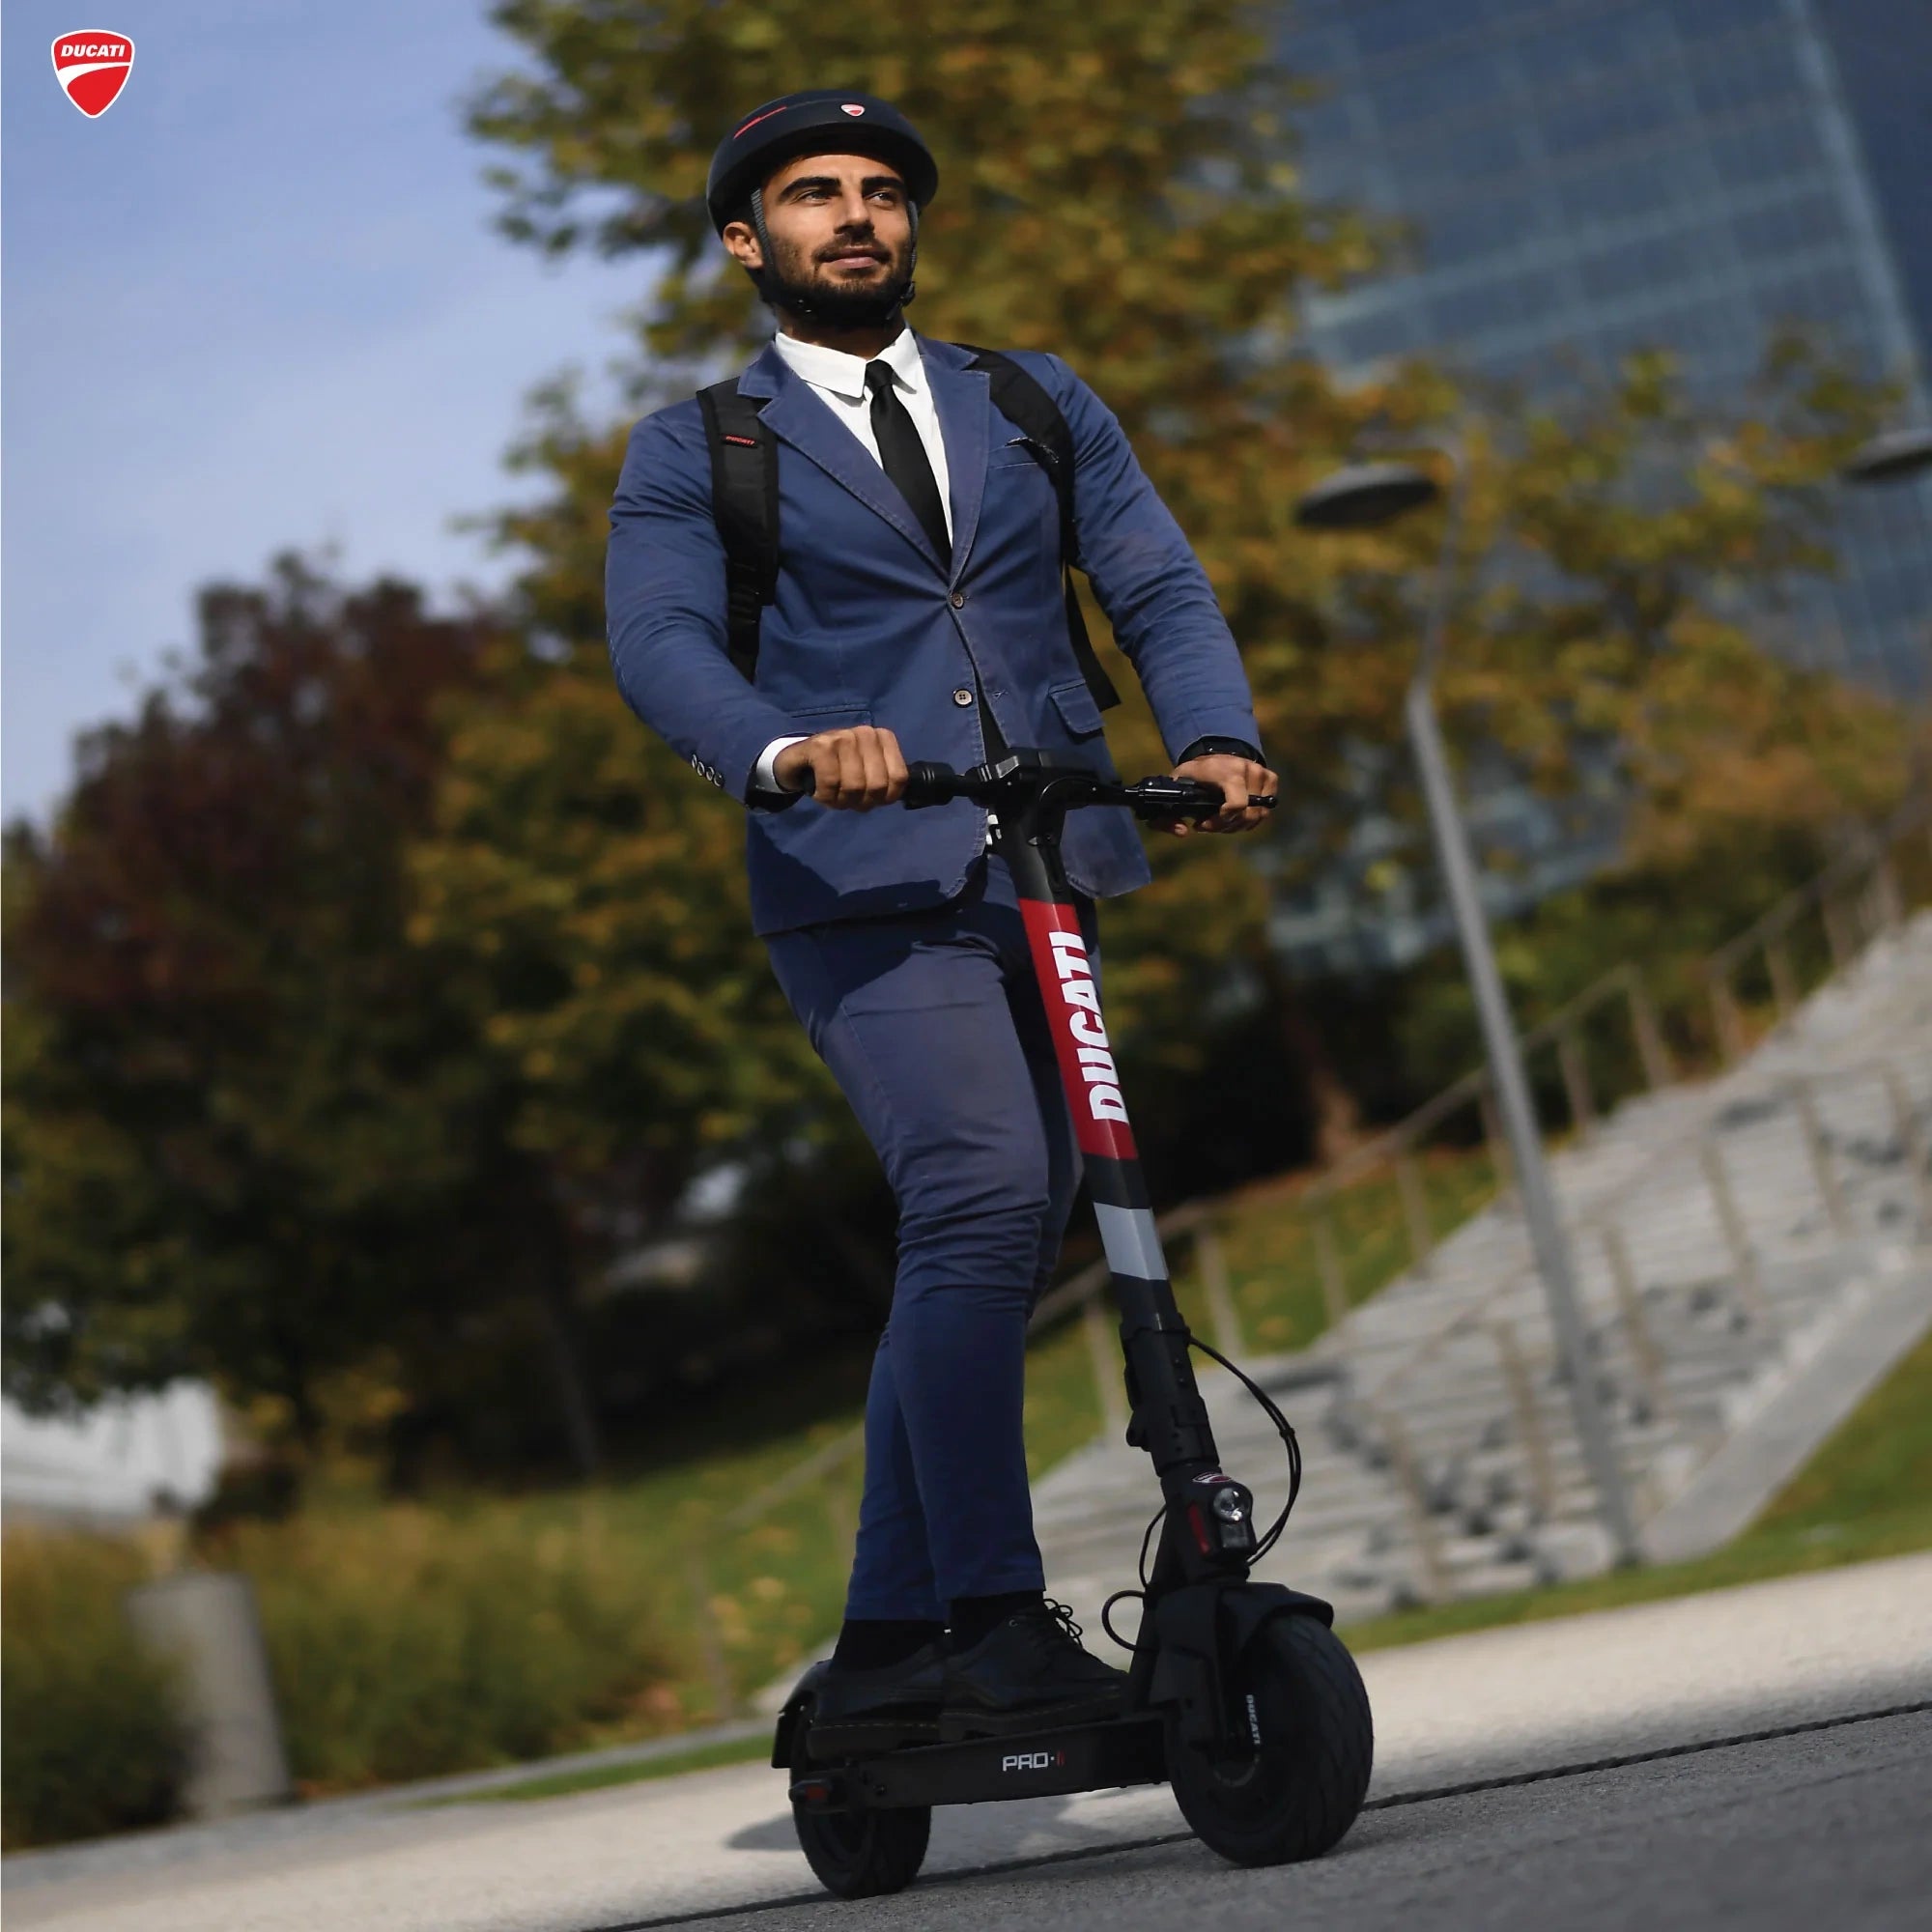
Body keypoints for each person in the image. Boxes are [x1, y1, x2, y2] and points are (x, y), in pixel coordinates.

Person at [606, 90, 1277, 1742]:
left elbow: (1154, 578)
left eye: (886, 191)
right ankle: (990, 1608)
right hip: (863, 882)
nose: (859, 214)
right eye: (816, 193)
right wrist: (781, 750)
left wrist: (1218, 733)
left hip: (1046, 862)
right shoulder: (701, 449)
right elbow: (663, 643)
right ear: (747, 240)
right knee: (979, 1188)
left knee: (1022, 1210)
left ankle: (892, 1631)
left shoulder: (1035, 402)